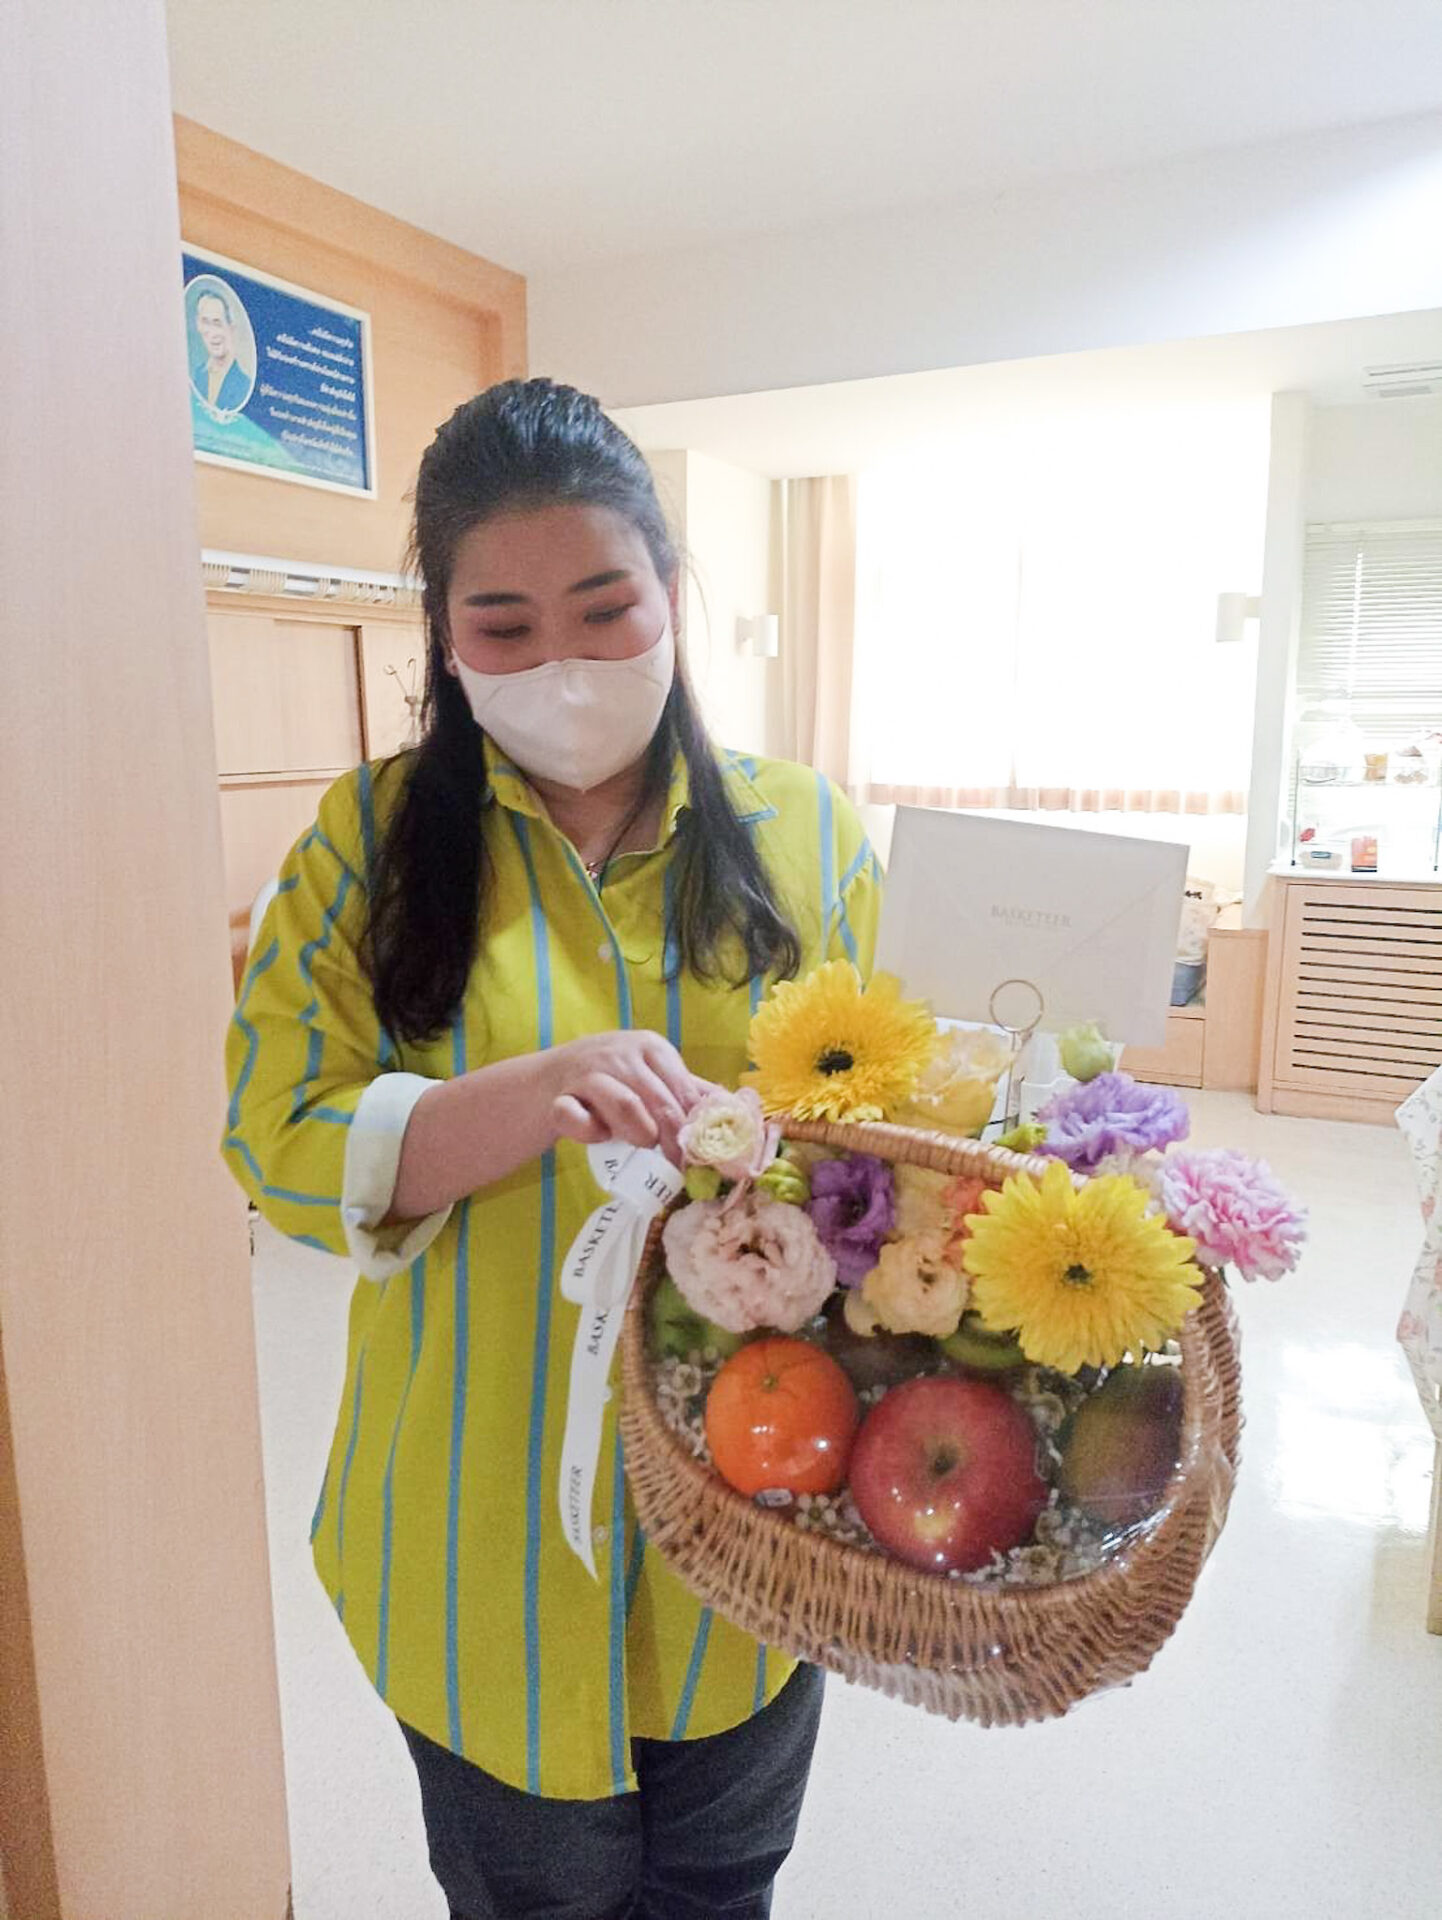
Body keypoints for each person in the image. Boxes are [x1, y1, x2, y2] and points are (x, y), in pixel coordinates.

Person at [223, 378, 881, 1918]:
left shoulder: (803, 836)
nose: (565, 662)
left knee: (723, 1891)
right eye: (505, 627)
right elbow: (274, 1143)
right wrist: (521, 1098)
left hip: (755, 1524)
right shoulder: (366, 842)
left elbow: (884, 1142)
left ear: (669, 596)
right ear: (445, 639)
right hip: (473, 1544)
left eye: (604, 608)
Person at [192, 285, 250, 413]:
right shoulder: (197, 375)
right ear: (198, 325)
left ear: (231, 328)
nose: (213, 333)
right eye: (206, 322)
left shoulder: (243, 384)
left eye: (217, 323)